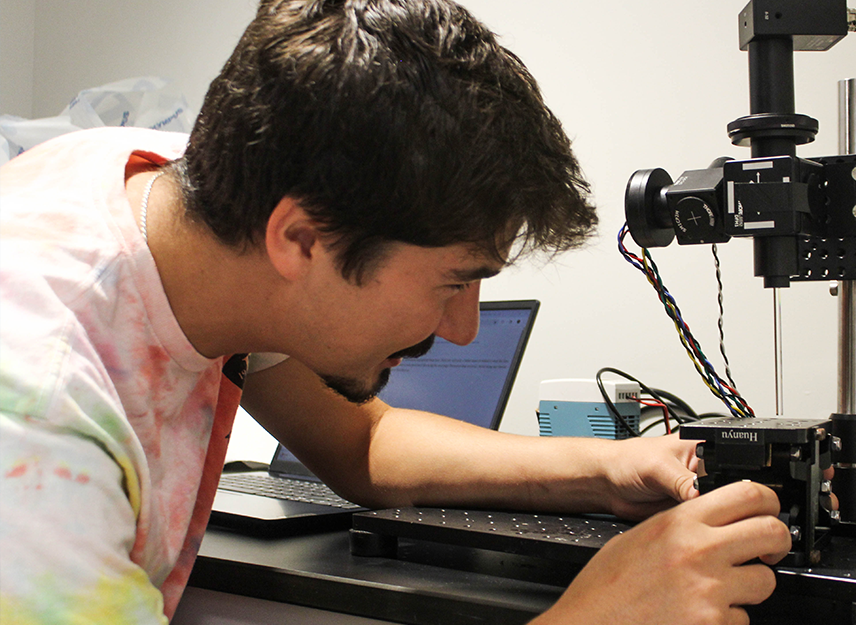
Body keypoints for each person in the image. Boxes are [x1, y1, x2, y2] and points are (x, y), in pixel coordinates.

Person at [0, 1, 791, 624]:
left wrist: (609, 470)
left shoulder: (193, 203)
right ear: (301, 238)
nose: (464, 328)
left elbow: (364, 443)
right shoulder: (38, 420)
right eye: (453, 282)